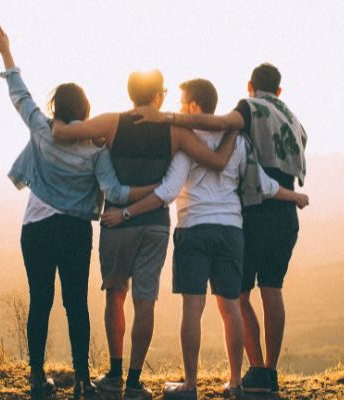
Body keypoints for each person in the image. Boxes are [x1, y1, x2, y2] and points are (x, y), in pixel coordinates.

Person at [101, 79, 308, 399]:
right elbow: (262, 184)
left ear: (195, 107)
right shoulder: (237, 141)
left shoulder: (187, 142)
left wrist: (126, 212)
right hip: (231, 231)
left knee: (192, 309)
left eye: (184, 103)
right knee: (232, 309)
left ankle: (191, 385)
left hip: (194, 229)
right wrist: (292, 196)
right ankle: (237, 383)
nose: (181, 108)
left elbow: (167, 192)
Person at [0, 23, 157, 400]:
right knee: (75, 303)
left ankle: (36, 378)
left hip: (36, 227)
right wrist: (156, 191)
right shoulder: (96, 148)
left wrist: (6, 53)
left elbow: (20, 95)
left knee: (40, 301)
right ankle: (82, 380)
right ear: (85, 110)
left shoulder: (43, 130)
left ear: (55, 108)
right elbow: (113, 191)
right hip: (76, 230)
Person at [52, 71, 238, 399]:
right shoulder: (175, 131)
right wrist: (235, 129)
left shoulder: (111, 123)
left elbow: (66, 132)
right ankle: (135, 381)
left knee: (115, 295)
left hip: (116, 223)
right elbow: (215, 161)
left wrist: (55, 124)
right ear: (157, 98)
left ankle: (114, 372)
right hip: (154, 224)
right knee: (145, 300)